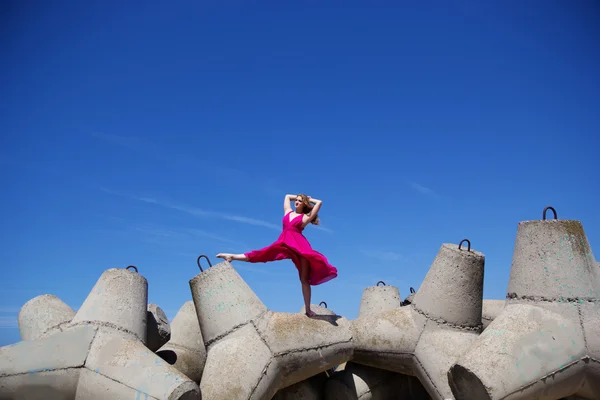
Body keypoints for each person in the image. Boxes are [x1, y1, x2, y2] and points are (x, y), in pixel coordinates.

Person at [216, 193, 338, 317]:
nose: (296, 202)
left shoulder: (305, 218)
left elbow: (319, 203)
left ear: (304, 204)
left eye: (300, 201)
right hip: (284, 242)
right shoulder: (288, 212)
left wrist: (308, 199)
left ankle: (308, 309)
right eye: (296, 200)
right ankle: (232, 256)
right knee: (263, 253)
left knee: (304, 279)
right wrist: (299, 197)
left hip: (300, 247)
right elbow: (286, 197)